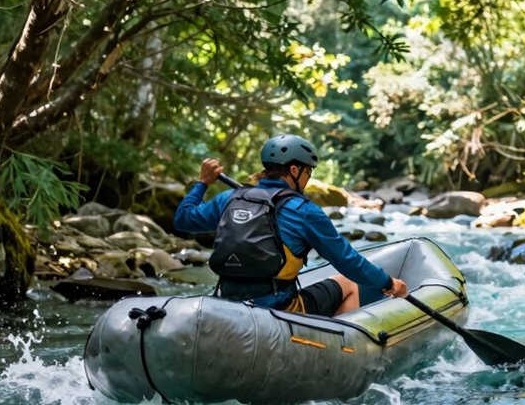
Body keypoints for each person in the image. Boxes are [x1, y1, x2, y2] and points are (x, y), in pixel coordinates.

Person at [174, 134, 408, 317]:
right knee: (348, 283)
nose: (308, 178)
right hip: (279, 311)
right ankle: (340, 351)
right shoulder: (304, 211)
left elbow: (183, 220)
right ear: (294, 170)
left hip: (228, 305)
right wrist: (388, 283)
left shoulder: (230, 198)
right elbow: (348, 262)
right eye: (308, 171)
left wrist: (202, 182)